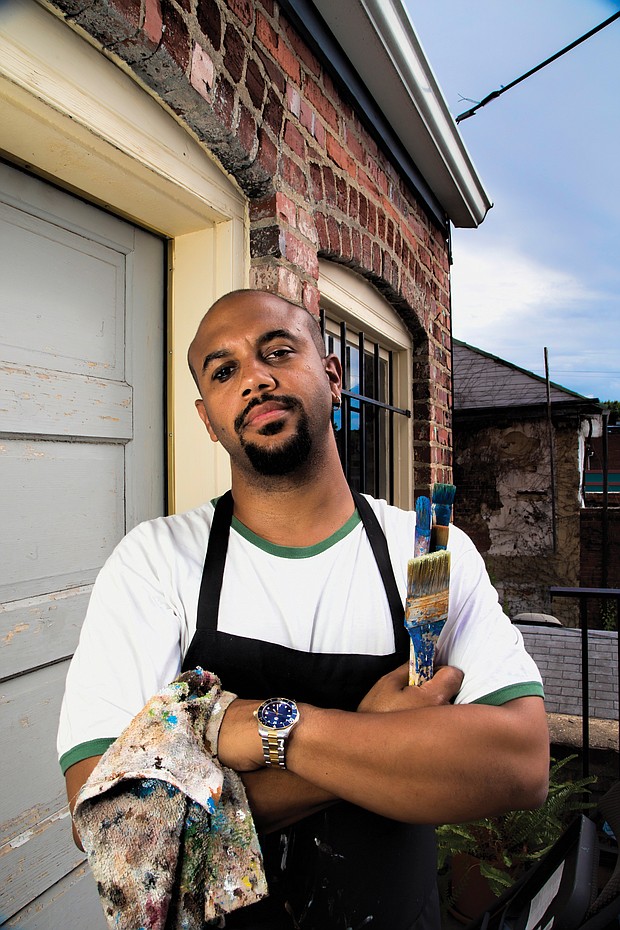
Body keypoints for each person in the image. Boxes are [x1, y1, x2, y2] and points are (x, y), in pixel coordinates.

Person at [58, 288, 549, 930]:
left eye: (279, 351)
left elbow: (520, 762)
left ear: (333, 376)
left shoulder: (428, 552)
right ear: (209, 420)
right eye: (224, 370)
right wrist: (375, 733)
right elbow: (110, 817)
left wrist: (261, 730)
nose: (256, 379)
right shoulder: (155, 563)